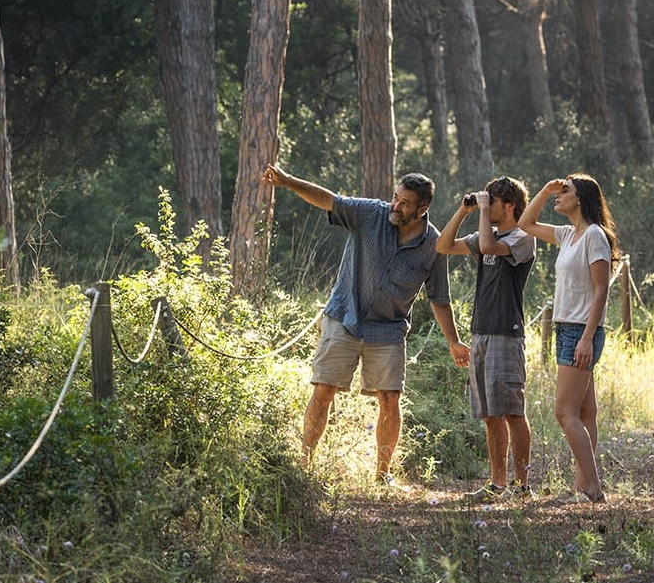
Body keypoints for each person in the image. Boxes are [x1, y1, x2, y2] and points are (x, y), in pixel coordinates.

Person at [263, 163, 468, 484]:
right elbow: (328, 200)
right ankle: (305, 466)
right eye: (395, 198)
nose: (396, 206)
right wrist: (289, 182)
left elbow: (439, 297)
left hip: (388, 329)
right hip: (344, 316)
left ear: (422, 209)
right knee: (323, 389)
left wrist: (454, 341)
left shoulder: (434, 245)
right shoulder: (372, 213)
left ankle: (382, 475)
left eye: (404, 203)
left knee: (390, 399)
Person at [517, 173, 619, 503]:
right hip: (567, 328)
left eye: (565, 192)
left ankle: (592, 487)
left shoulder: (594, 236)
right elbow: (525, 222)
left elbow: (601, 289)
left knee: (564, 412)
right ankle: (583, 487)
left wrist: (587, 339)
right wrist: (546, 189)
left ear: (581, 199)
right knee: (585, 412)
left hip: (580, 331)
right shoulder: (568, 234)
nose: (559, 197)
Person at [436, 176, 536, 499]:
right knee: (490, 415)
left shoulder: (523, 238)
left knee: (512, 411)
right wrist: (464, 211)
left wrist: (480, 212)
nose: (486, 206)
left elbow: (491, 248)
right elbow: (443, 246)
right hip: (480, 333)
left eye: (491, 202)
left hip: (507, 334)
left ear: (508, 206)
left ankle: (522, 487)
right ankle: (497, 485)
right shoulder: (484, 233)